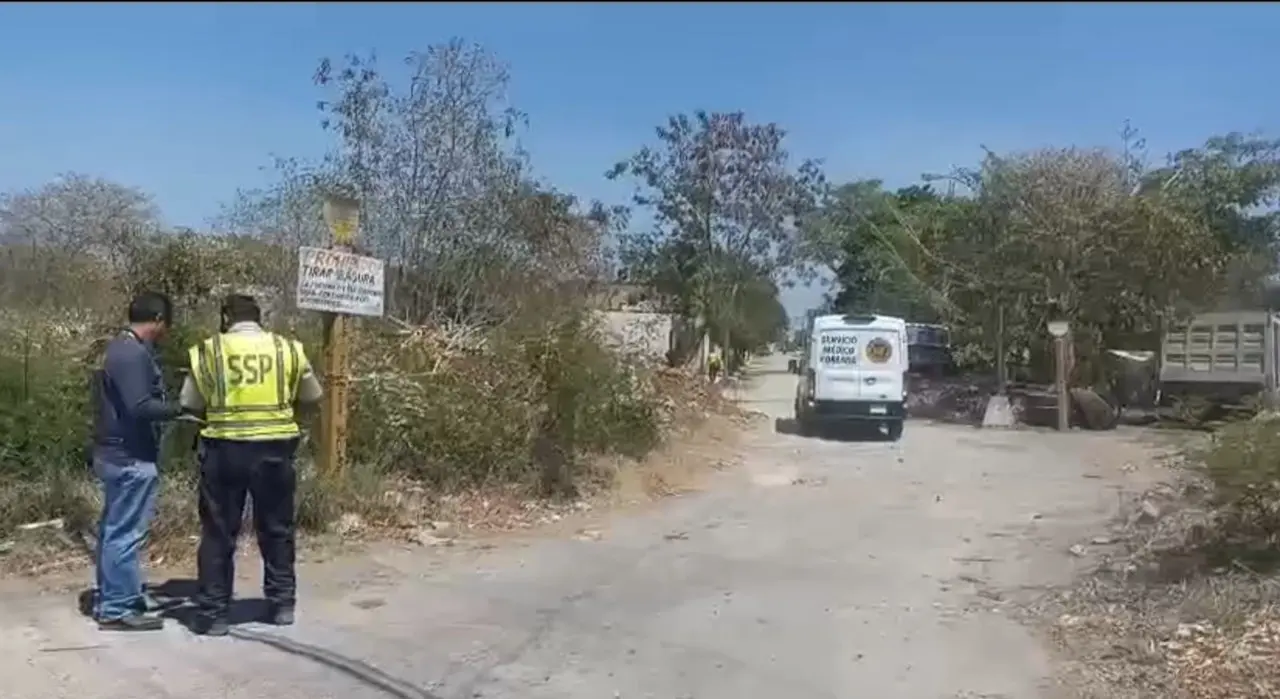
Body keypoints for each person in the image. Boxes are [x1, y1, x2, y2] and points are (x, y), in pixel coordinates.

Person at [180, 294, 323, 636]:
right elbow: (313, 395)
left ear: (226, 317)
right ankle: (282, 603)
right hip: (275, 450)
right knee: (277, 528)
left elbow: (188, 402)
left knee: (219, 532)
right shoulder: (286, 349)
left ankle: (215, 613)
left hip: (225, 450)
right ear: (260, 318)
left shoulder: (210, 350)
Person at [91, 291, 183, 631]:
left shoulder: (120, 349)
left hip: (116, 453)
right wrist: (183, 409)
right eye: (165, 325)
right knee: (125, 533)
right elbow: (140, 406)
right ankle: (116, 608)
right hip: (129, 456)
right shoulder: (131, 354)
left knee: (116, 529)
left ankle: (120, 596)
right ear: (158, 320)